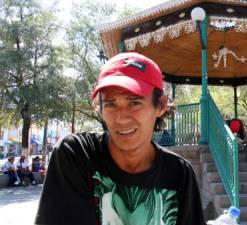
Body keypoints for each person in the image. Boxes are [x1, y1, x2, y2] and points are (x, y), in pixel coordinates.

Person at [35, 52, 205, 225]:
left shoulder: (179, 174)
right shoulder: (78, 154)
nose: (121, 119)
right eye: (110, 104)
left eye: (134, 103)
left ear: (160, 105)